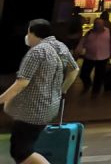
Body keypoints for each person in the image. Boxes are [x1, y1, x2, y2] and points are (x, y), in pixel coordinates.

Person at [0, 19, 79, 164]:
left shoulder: (37, 52)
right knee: (24, 147)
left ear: (33, 33)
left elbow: (22, 82)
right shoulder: (60, 46)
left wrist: (2, 98)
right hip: (49, 108)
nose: (26, 36)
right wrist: (62, 90)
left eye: (28, 32)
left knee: (21, 152)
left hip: (32, 111)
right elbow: (74, 70)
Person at [76, 15, 111, 97]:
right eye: (96, 24)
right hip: (90, 56)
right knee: (84, 74)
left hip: (103, 57)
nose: (97, 26)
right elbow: (82, 42)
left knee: (99, 76)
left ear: (103, 25)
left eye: (99, 24)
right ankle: (88, 84)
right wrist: (78, 50)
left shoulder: (109, 32)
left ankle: (95, 91)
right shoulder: (89, 33)